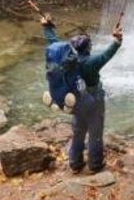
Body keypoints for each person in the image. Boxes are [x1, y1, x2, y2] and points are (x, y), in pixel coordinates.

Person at [41, 14, 123, 173]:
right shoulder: (92, 62)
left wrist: (47, 27)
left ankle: (75, 163)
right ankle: (95, 165)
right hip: (93, 101)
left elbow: (54, 43)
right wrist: (117, 39)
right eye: (90, 44)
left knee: (78, 132)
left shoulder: (67, 60)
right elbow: (108, 53)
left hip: (76, 100)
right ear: (88, 47)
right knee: (95, 133)